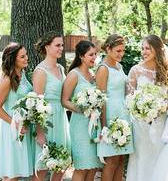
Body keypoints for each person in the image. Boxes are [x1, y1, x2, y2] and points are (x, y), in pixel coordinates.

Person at [126, 35, 168, 181]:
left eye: (147, 48)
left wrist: (158, 108)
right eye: (142, 48)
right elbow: (129, 98)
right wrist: (141, 110)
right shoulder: (135, 70)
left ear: (157, 49)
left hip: (160, 121)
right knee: (141, 156)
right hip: (140, 123)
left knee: (159, 155)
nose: (144, 52)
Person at [61, 40, 103, 181]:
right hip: (79, 125)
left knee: (92, 167)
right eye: (90, 54)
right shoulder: (74, 74)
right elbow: (65, 101)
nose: (94, 57)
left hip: (94, 126)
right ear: (81, 56)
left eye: (95, 54)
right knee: (82, 167)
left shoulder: (92, 75)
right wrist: (83, 109)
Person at [32, 31, 70, 181]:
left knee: (62, 164)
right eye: (57, 45)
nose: (61, 48)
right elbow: (37, 104)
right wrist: (40, 133)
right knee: (42, 167)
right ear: (47, 47)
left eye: (62, 45)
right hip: (47, 122)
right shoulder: (40, 71)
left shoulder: (60, 68)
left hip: (61, 119)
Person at [0, 43, 34, 180]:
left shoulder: (22, 75)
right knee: (12, 173)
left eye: (26, 54)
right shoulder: (7, 80)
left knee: (15, 171)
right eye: (22, 56)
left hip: (22, 127)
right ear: (13, 59)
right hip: (11, 128)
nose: (26, 58)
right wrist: (15, 123)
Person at [96, 34, 134, 181]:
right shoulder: (103, 69)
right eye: (118, 51)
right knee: (111, 160)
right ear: (108, 49)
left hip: (123, 114)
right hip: (110, 115)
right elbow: (101, 99)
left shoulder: (119, 67)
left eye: (123, 50)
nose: (121, 54)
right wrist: (104, 125)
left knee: (120, 159)